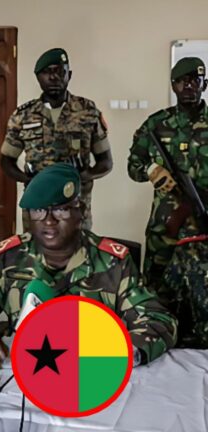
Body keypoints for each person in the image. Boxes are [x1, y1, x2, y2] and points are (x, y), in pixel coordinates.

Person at [0, 163, 176, 370]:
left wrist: (123, 353)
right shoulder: (8, 259)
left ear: (80, 212)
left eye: (60, 209)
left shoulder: (113, 262)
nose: (49, 221)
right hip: (26, 373)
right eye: (39, 210)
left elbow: (158, 320)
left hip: (90, 372)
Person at [128, 57, 208, 347]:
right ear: (173, 85)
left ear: (204, 84)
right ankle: (158, 344)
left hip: (203, 225)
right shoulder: (156, 125)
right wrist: (152, 170)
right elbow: (133, 166)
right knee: (157, 290)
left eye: (194, 79)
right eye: (181, 80)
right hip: (166, 226)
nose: (188, 85)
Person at [0, 48, 112, 230]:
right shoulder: (23, 115)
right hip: (38, 204)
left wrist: (84, 176)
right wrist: (27, 179)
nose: (53, 78)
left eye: (60, 71)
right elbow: (6, 161)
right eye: (46, 72)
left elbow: (106, 161)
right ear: (38, 77)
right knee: (35, 254)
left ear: (69, 74)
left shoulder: (87, 111)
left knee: (79, 253)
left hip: (75, 205)